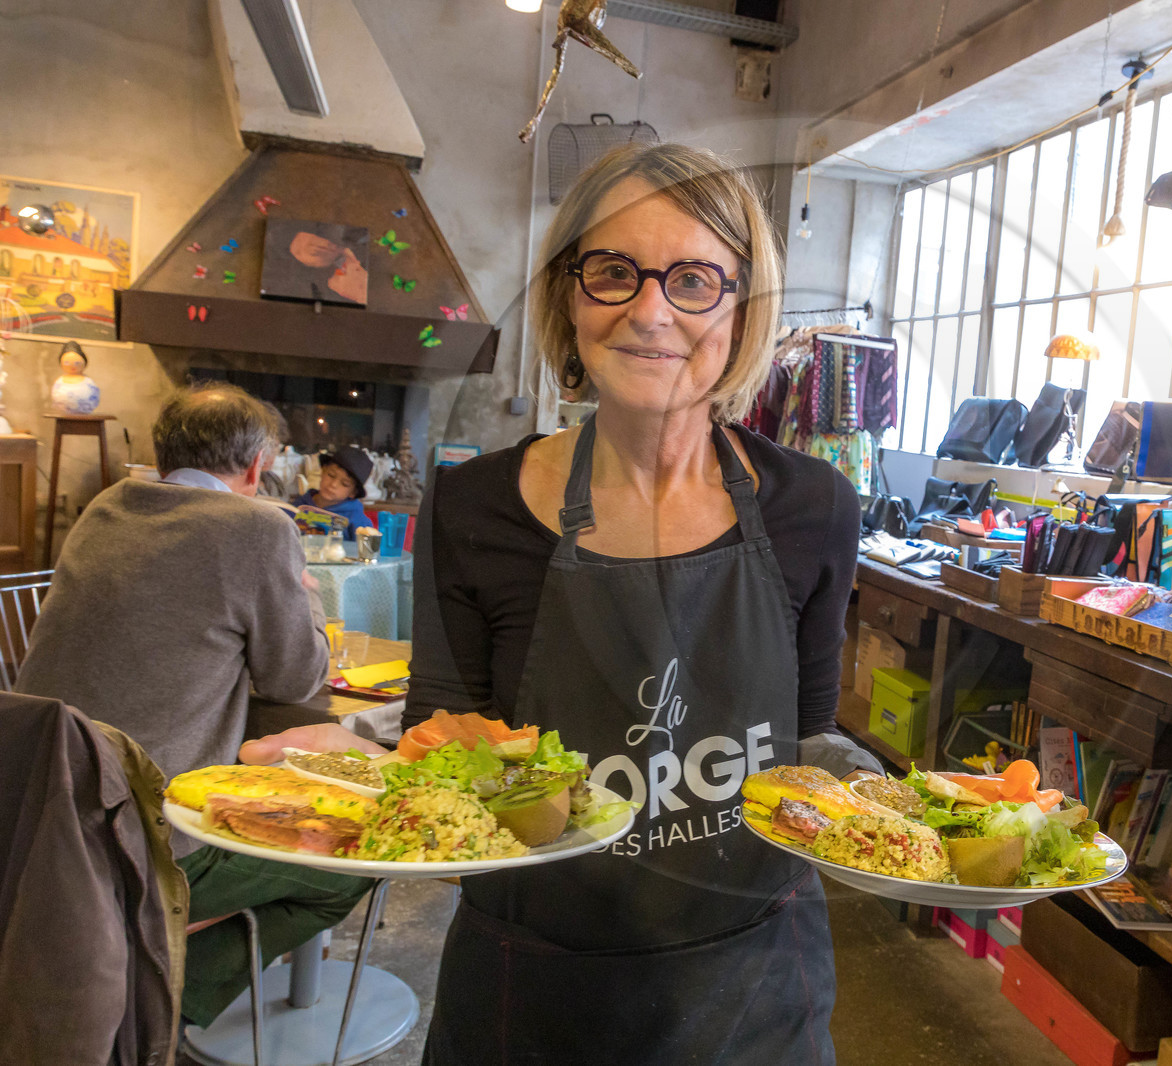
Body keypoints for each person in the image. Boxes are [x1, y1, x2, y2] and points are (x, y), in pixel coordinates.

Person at [248, 141, 878, 1063]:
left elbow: (804, 741)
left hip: (755, 993)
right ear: (568, 298)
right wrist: (358, 763)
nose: (650, 310)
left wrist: (929, 814)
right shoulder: (474, 507)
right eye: (613, 272)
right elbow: (448, 745)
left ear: (745, 311)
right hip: (534, 994)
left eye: (695, 279)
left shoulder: (814, 507)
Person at [15, 383, 378, 1029]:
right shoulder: (259, 526)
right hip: (143, 845)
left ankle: (133, 964)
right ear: (258, 465)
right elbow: (297, 678)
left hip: (30, 816)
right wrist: (307, 590)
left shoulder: (107, 506)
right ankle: (161, 995)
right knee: (351, 865)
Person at [291, 443, 373, 540]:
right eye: (331, 475)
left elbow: (366, 552)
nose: (333, 484)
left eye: (345, 484)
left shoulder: (358, 522)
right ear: (323, 471)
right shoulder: (298, 506)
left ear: (353, 493)